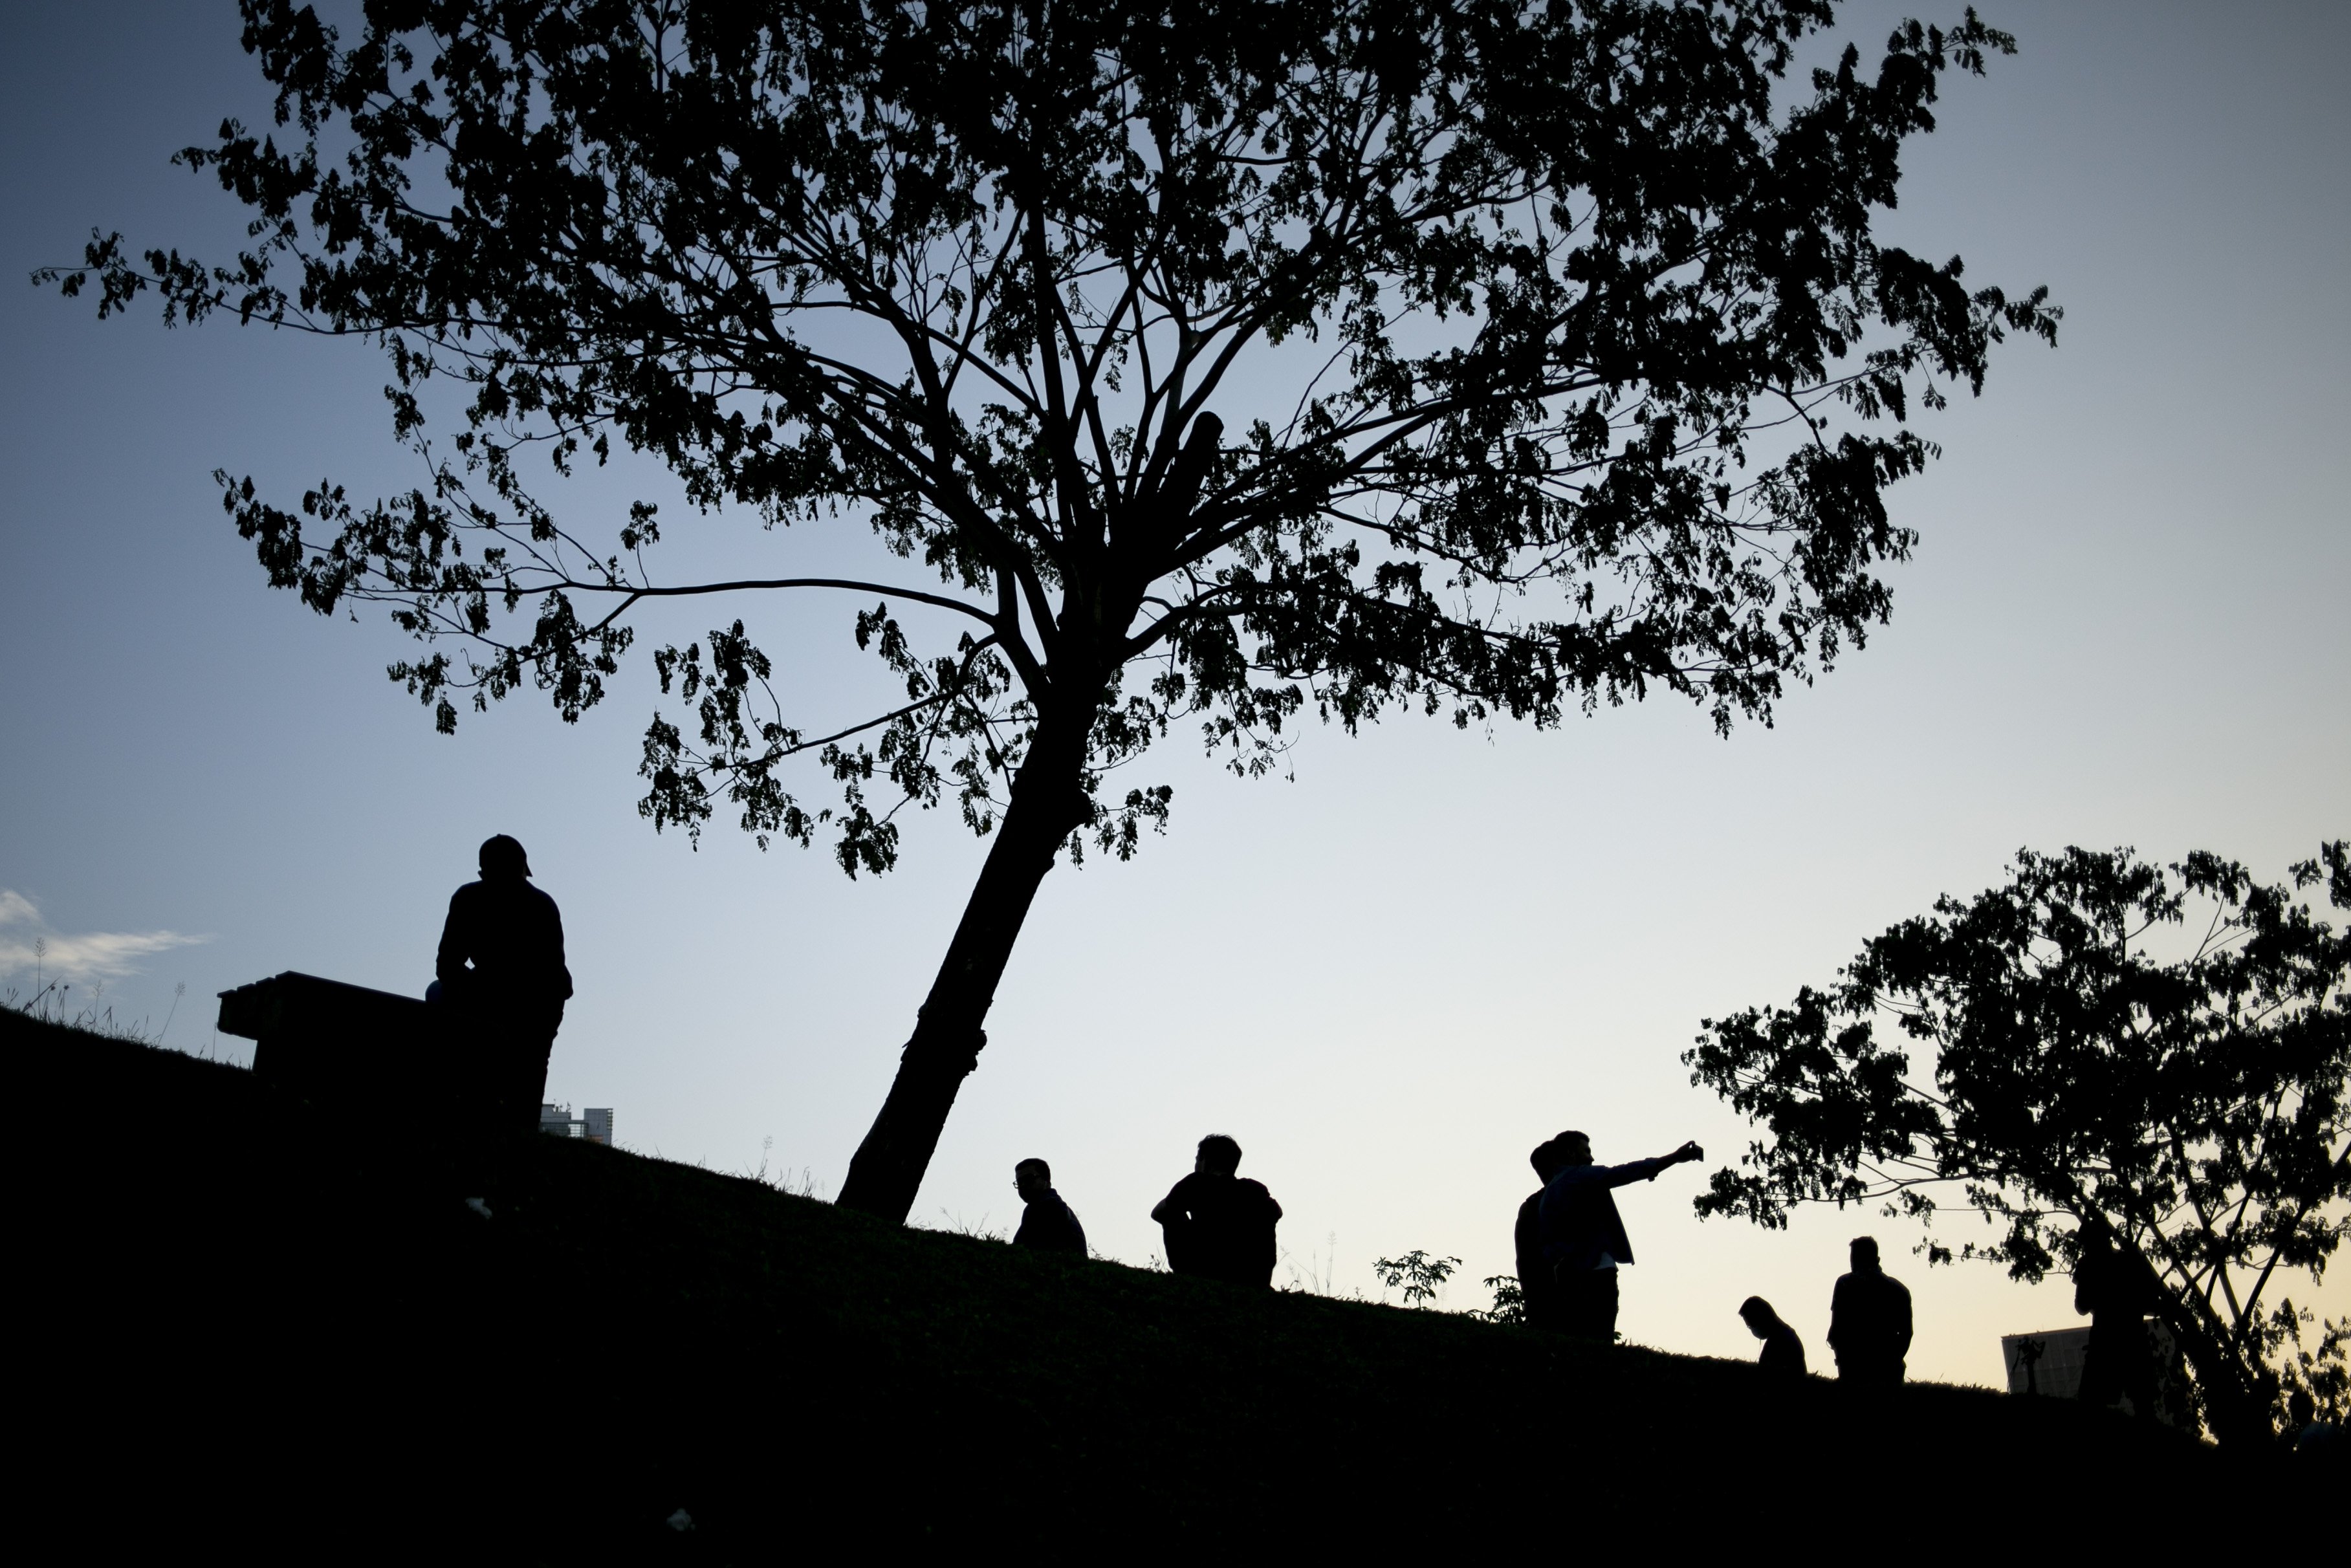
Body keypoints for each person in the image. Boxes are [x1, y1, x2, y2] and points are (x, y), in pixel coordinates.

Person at [434, 834, 573, 1134]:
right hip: (535, 1004)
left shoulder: (470, 898)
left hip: (524, 1003)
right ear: (523, 869)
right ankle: (514, 1120)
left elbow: (447, 966)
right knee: (530, 1069)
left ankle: (479, 1105)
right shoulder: (542, 904)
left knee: (439, 997)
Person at [1535, 1131, 1705, 1343]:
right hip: (1595, 1274)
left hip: (1569, 1276)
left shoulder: (1549, 1194)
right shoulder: (1580, 1177)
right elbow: (1625, 1173)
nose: (1591, 1158)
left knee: (1577, 1339)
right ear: (1571, 1154)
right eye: (1586, 1152)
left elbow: (1547, 1245)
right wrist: (1673, 1158)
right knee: (1600, 1339)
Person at [1151, 1135, 1282, 1287]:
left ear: (1204, 1160)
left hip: (1204, 1270)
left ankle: (1186, 1277)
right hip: (1253, 1277)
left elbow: (1158, 1213)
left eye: (1197, 1159)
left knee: (1170, 1215)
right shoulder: (1255, 1190)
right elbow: (1278, 1212)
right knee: (1266, 1217)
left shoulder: (1196, 1183)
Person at [2073, 1229, 2159, 1419]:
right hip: (2130, 1340)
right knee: (2143, 1404)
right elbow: (2153, 1302)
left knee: (2093, 1401)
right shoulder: (2131, 1261)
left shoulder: (2090, 1264)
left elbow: (2082, 1305)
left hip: (2109, 1342)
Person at [1827, 1236, 1913, 1386]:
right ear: (1877, 1259)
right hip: (1889, 1371)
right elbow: (1907, 1334)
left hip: (1853, 1368)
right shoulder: (1899, 1290)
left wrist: (1843, 1357)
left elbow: (1836, 1330)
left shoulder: (1845, 1284)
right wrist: (1893, 1360)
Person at [1514, 1135, 1579, 1331]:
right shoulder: (1537, 1206)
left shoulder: (1531, 1206)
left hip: (1544, 1295)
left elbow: (1524, 1261)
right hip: (1563, 1294)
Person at [1012, 1158, 1088, 1254]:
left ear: (1045, 1180)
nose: (1023, 1185)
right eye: (1019, 1182)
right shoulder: (1040, 1206)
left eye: (1028, 1179)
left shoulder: (1049, 1206)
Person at [1738, 1296, 1808, 1380]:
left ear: (1761, 1318)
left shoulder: (1780, 1340)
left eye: (1751, 1325)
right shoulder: (1784, 1335)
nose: (1752, 1329)